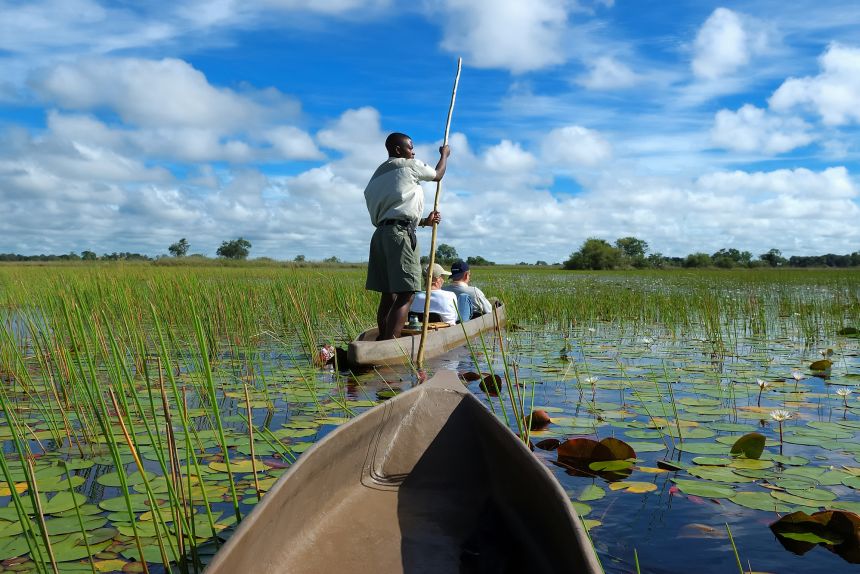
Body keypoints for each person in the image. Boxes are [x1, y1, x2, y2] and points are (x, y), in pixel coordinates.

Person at [364, 132, 451, 340]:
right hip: (400, 236)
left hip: (380, 235)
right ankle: (389, 345)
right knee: (406, 293)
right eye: (410, 147)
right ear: (398, 150)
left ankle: (383, 340)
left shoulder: (376, 176)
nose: (413, 151)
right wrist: (445, 155)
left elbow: (392, 210)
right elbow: (437, 174)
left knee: (389, 294)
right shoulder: (408, 165)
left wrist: (423, 222)